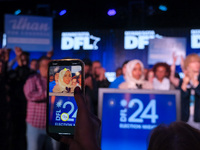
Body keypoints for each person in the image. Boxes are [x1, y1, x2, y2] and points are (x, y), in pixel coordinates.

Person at [24, 56, 59, 150]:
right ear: (39, 67)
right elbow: (30, 95)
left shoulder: (57, 81)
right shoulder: (32, 79)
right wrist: (50, 92)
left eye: (49, 66)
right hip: (35, 126)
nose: (47, 68)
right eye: (44, 66)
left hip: (53, 126)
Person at [179, 53, 200, 129]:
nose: (197, 64)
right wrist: (184, 84)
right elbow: (181, 99)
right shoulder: (184, 80)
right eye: (193, 62)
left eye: (198, 62)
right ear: (188, 65)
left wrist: (195, 82)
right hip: (186, 117)